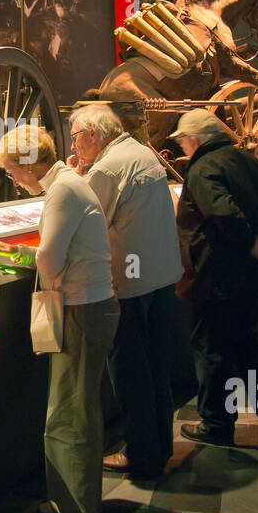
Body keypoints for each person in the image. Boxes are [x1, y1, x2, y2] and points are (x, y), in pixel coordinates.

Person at [0, 124, 119, 513]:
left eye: (12, 171)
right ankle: (72, 497)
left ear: (28, 164)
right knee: (76, 411)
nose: (13, 179)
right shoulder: (68, 185)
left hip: (81, 312)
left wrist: (33, 257)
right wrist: (20, 251)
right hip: (88, 308)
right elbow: (55, 252)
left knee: (69, 416)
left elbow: (52, 263)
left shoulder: (61, 191)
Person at [68, 104, 182, 479]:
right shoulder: (140, 153)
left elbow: (82, 220)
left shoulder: (107, 167)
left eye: (75, 136)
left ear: (94, 135)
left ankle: (141, 454)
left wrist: (75, 180)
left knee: (130, 373)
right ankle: (159, 447)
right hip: (162, 279)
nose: (73, 143)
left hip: (130, 288)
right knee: (156, 368)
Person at [173, 109, 258, 446]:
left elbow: (221, 211)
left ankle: (217, 424)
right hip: (250, 277)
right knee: (247, 346)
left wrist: (252, 241)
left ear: (196, 139)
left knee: (212, 350)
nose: (181, 147)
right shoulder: (245, 160)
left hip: (215, 276)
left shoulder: (203, 168)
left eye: (182, 140)